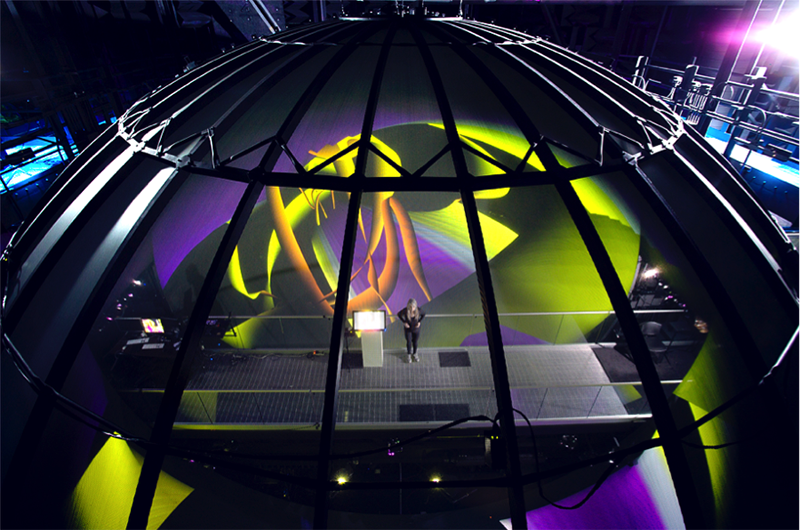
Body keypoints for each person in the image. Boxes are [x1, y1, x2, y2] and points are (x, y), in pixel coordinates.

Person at [397, 298, 425, 363]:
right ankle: (409, 355)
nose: (412, 308)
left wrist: (419, 322)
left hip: (416, 329)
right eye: (410, 306)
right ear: (408, 306)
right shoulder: (406, 311)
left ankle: (415, 353)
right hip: (408, 330)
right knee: (409, 342)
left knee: (415, 342)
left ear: (415, 306)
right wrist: (404, 322)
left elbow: (424, 314)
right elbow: (399, 314)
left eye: (413, 306)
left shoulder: (418, 311)